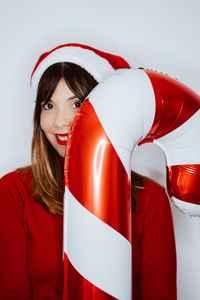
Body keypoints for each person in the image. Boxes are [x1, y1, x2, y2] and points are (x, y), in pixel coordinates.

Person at [0, 43, 177, 300]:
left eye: (76, 103)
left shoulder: (150, 200)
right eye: (49, 105)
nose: (60, 121)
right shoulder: (13, 192)